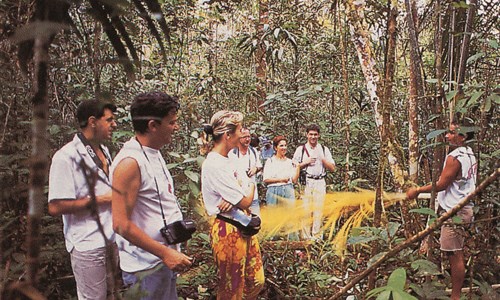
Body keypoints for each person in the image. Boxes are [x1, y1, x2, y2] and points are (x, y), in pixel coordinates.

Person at [111, 92, 193, 299]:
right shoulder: (130, 163)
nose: (176, 127)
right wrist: (165, 253)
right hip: (146, 268)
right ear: (152, 125)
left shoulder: (153, 153)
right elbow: (120, 224)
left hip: (162, 262)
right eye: (171, 122)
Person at [48, 99, 118, 300]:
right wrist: (101, 200)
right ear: (92, 121)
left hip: (111, 237)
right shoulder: (66, 156)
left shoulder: (104, 151)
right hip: (87, 242)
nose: (114, 125)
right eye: (109, 120)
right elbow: (55, 206)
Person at [406, 120, 477, 300]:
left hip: (455, 212)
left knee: (454, 254)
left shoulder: (455, 157)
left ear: (463, 137)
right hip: (465, 209)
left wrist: (417, 190)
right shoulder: (470, 154)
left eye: (452, 133)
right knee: (454, 252)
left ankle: (455, 296)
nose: (447, 136)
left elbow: (442, 184)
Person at [201, 111, 265, 299]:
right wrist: (246, 189)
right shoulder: (214, 164)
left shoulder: (232, 159)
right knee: (232, 287)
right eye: (239, 130)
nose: (243, 134)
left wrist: (247, 186)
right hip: (226, 228)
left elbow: (247, 188)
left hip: (244, 222)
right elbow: (245, 199)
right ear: (227, 135)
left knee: (256, 280)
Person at [293, 124, 335, 240]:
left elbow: (332, 168)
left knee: (319, 210)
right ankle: (306, 239)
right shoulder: (300, 150)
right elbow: (293, 167)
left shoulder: (323, 149)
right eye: (311, 134)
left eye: (315, 134)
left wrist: (323, 159)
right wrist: (305, 162)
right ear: (307, 135)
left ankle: (317, 238)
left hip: (320, 181)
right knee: (306, 210)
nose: (313, 137)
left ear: (319, 135)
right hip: (306, 181)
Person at [228, 128, 263, 216]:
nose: (247, 139)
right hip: (238, 197)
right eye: (244, 137)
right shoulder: (232, 153)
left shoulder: (253, 151)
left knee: (256, 223)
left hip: (253, 197)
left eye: (249, 136)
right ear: (238, 138)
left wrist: (255, 168)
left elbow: (259, 166)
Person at [262, 135, 300, 206]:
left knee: (289, 215)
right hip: (273, 191)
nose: (284, 148)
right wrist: (281, 180)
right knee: (274, 215)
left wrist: (298, 167)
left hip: (288, 190)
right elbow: (266, 179)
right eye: (281, 146)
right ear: (276, 148)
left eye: (285, 145)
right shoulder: (270, 161)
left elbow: (294, 180)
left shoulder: (289, 162)